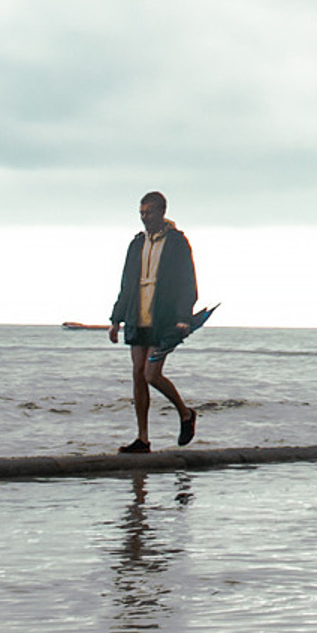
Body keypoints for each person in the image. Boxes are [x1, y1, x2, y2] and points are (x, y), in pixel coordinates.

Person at [108, 191, 198, 453]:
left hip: (164, 319)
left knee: (151, 375)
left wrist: (183, 317)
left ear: (161, 212)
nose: (144, 217)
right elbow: (126, 283)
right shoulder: (137, 243)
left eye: (148, 212)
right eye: (141, 213)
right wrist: (116, 319)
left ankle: (185, 413)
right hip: (137, 316)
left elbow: (187, 282)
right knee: (138, 375)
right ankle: (143, 439)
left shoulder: (177, 242)